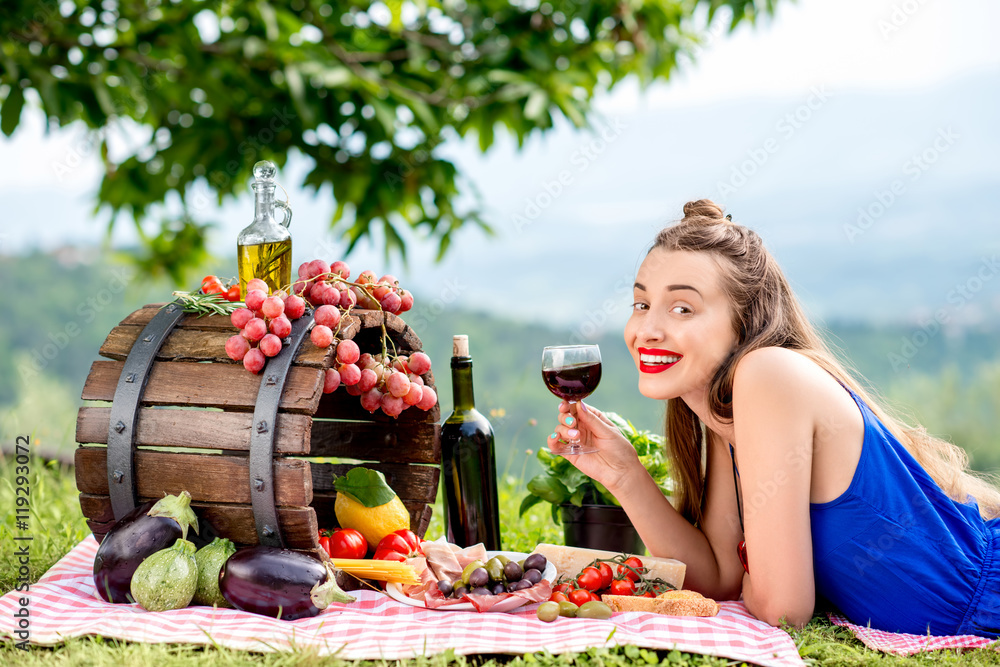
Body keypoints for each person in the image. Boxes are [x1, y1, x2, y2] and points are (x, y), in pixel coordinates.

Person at [549, 199, 1000, 636]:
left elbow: (782, 609)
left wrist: (763, 578)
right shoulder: (726, 418)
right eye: (641, 304)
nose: (647, 330)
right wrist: (625, 474)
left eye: (683, 308)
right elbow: (720, 577)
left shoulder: (767, 374)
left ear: (745, 323)